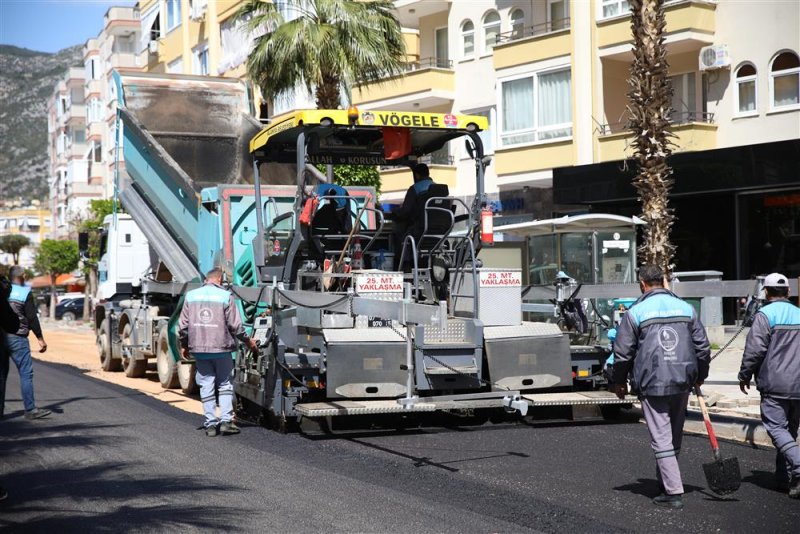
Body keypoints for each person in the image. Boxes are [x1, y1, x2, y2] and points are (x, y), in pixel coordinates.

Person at [610, 264, 710, 509]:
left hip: (652, 382)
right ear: (664, 282)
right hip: (682, 381)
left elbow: (622, 354)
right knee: (673, 434)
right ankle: (665, 480)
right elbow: (703, 348)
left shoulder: (636, 312)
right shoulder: (686, 308)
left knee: (661, 438)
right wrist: (700, 375)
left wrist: (619, 381)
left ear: (642, 284)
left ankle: (674, 491)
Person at [738, 272, 800, 498]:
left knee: (776, 429)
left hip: (775, 385)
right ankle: (785, 479)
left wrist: (744, 375)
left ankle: (798, 468)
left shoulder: (764, 316)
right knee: (789, 432)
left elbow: (755, 351)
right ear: (789, 292)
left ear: (765, 292)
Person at [179, 268, 256, 437]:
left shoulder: (191, 296)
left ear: (207, 279)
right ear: (219, 280)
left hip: (199, 350)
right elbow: (236, 326)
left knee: (206, 384)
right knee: (224, 384)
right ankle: (226, 422)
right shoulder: (225, 296)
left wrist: (184, 345)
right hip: (221, 349)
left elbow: (183, 326)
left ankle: (210, 425)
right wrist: (249, 341)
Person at [3, 266, 50, 420]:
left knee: (1, 375)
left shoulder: (2, 291)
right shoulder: (24, 292)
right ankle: (30, 410)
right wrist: (40, 338)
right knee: (25, 373)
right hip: (18, 339)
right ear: (22, 276)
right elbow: (31, 318)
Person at [390, 163, 436, 269]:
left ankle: (404, 266)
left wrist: (395, 211)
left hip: (419, 229)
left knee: (402, 237)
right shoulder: (439, 188)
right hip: (438, 230)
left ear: (417, 175)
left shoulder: (415, 189)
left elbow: (405, 211)